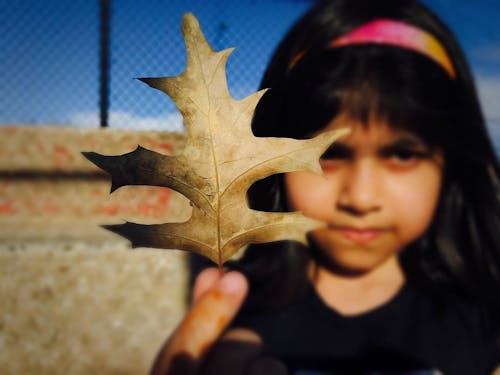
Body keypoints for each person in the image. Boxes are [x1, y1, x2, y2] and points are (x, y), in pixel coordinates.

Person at [151, 0, 500, 374]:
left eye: (402, 154)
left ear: (450, 166)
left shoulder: (484, 318)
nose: (361, 198)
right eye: (327, 154)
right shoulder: (233, 323)